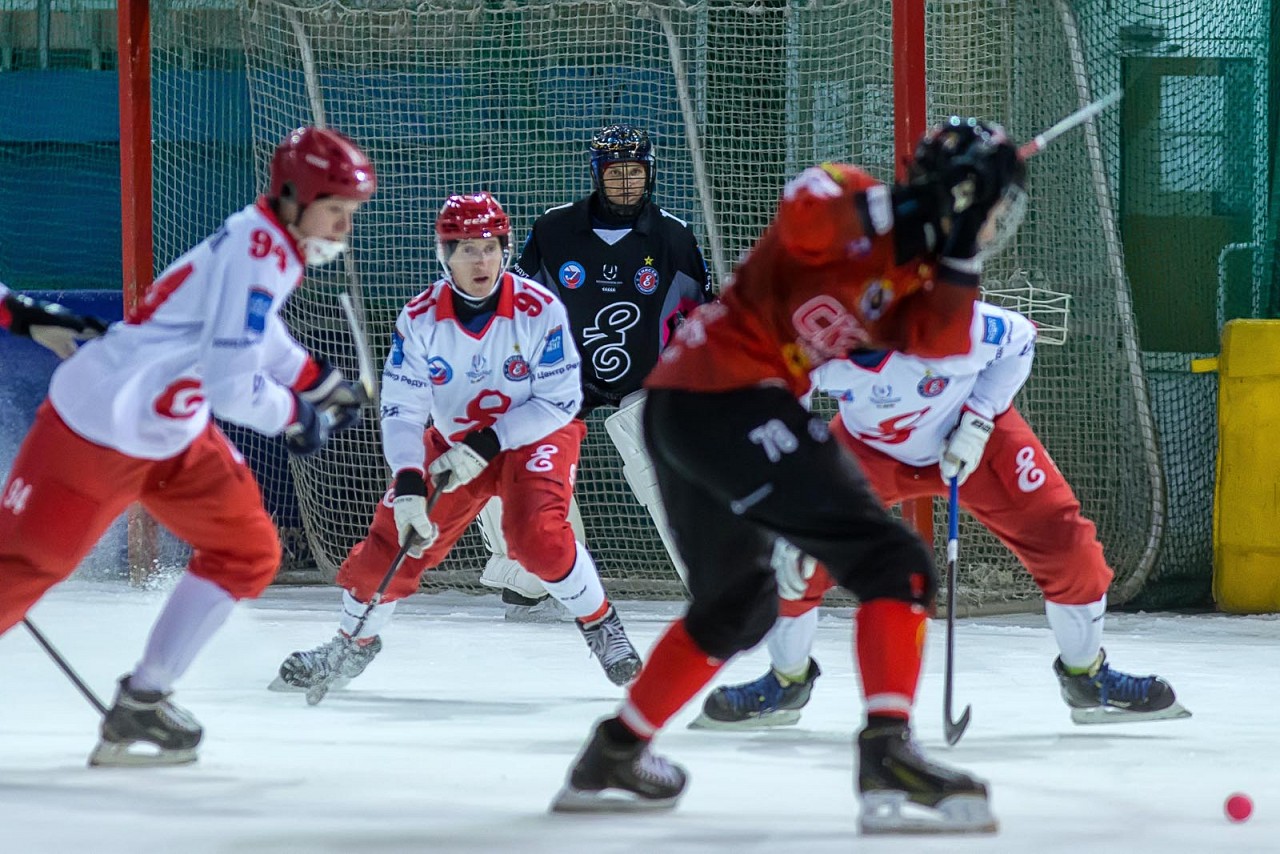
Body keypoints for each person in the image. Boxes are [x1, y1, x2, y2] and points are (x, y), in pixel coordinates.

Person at [551, 117, 1028, 835]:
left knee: (738, 607)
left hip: (697, 408)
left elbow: (942, 338)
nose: (997, 221)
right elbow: (805, 212)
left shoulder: (918, 270)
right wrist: (929, 204)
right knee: (896, 564)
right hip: (724, 396)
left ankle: (612, 755)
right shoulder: (850, 193)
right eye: (990, 206)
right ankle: (888, 754)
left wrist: (954, 240)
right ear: (960, 193)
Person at [0, 125, 375, 765]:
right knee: (21, 576)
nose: (342, 228)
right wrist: (295, 415)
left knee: (246, 549)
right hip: (98, 431)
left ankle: (144, 703)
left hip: (172, 432)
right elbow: (231, 385)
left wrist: (317, 381)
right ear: (293, 195)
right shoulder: (261, 253)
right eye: (334, 210)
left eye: (348, 214)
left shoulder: (271, 246)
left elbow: (254, 335)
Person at [693, 301, 1189, 730]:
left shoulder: (950, 320)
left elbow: (1019, 340)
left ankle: (1087, 677)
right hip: (867, 449)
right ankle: (787, 683)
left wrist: (978, 418)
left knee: (1069, 547)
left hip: (975, 439)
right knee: (794, 554)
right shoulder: (808, 338)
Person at [272, 191, 644, 694]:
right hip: (451, 445)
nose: (480, 260)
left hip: (534, 437)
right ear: (444, 254)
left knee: (536, 537)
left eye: (489, 247)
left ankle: (602, 626)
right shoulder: (421, 318)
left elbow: (559, 401)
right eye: (466, 248)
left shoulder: (540, 310)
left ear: (506, 250)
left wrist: (488, 445)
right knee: (392, 542)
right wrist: (407, 481)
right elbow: (402, 407)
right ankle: (350, 645)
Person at [477, 124, 712, 618]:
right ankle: (529, 568)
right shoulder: (555, 229)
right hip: (563, 378)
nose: (626, 182)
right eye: (615, 172)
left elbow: (698, 318)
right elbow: (522, 302)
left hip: (646, 378)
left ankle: (708, 575)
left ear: (650, 174)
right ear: (596, 174)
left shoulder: (674, 237)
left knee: (659, 459)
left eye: (635, 172)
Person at [0, 281, 107, 358]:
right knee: (67, 349)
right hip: (21, 323)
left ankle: (107, 332)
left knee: (76, 328)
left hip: (20, 312)